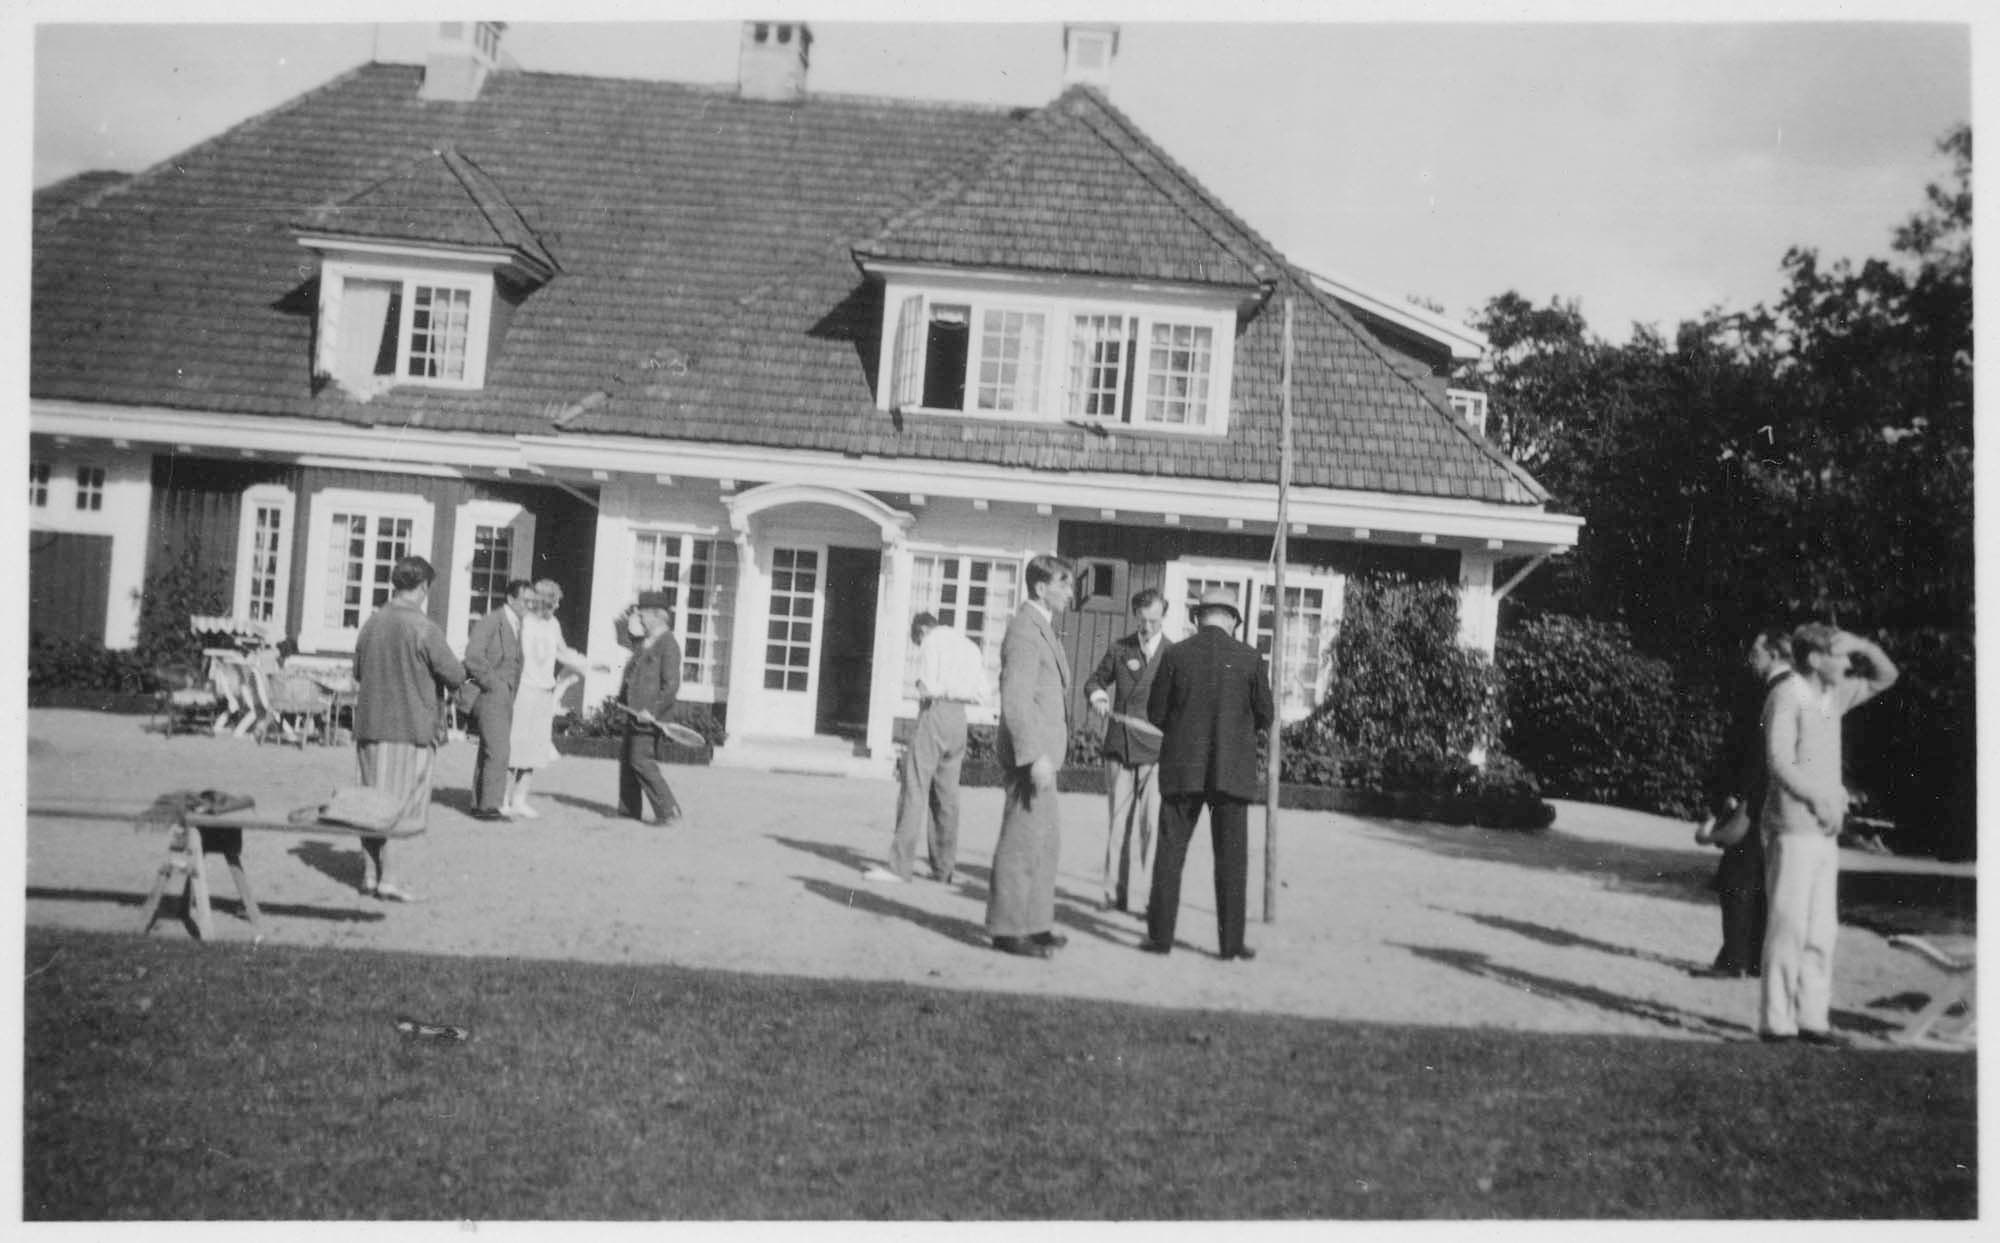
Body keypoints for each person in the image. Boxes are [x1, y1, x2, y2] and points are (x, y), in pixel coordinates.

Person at [1758, 623, 1898, 1045]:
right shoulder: (1788, 695)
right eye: (1839, 654)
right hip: (1793, 827)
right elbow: (1779, 762)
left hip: (1823, 831)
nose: (1848, 663)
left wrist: (1862, 643)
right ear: (1816, 660)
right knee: (1788, 926)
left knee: (1822, 929)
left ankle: (1812, 1019)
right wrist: (1820, 798)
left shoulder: (1832, 698)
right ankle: (1776, 1022)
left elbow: (1886, 675)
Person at [1142, 585, 1274, 961]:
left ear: (1198, 618)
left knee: (1170, 853)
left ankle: (1160, 939)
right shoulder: (1250, 658)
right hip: (1231, 774)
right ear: (1233, 620)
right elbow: (1267, 715)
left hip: (1183, 770)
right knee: (1231, 862)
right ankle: (1230, 945)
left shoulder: (1175, 655)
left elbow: (1155, 713)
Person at [350, 555, 466, 902]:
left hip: (370, 725)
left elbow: (358, 671)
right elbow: (455, 675)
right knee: (397, 806)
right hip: (408, 727)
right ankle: (391, 878)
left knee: (370, 802)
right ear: (424, 587)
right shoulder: (424, 628)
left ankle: (371, 873)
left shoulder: (371, 624)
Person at [1689, 626, 1796, 979]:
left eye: (1757, 652)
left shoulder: (1775, 693)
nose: (1752, 658)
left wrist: (1740, 794)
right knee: (1758, 879)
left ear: (1776, 654)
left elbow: (1763, 753)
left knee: (1736, 876)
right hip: (1775, 800)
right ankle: (1750, 957)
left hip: (1759, 798)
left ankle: (1735, 959)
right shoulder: (1789, 691)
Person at [985, 555, 1076, 959]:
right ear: (1041, 588)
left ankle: (1036, 923)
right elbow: (1016, 700)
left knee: (1046, 842)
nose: (1070, 594)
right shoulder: (1025, 630)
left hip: (1045, 757)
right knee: (1021, 843)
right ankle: (1007, 929)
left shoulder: (1042, 628)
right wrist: (1032, 755)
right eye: (1065, 585)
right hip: (1032, 757)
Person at [865, 612, 985, 885]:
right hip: (959, 718)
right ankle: (944, 869)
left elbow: (928, 686)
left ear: (921, 631)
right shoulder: (970, 646)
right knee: (947, 795)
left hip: (935, 713)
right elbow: (982, 690)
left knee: (914, 788)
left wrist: (923, 686)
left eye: (917, 640)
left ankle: (899, 867)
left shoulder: (932, 642)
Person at [1085, 588, 1172, 916]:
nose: (1148, 626)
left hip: (1155, 754)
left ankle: (1150, 899)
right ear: (1136, 616)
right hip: (1119, 749)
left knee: (1151, 826)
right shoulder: (1121, 649)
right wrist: (1099, 699)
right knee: (1118, 824)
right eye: (1143, 620)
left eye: (1154, 619)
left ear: (1163, 615)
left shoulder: (1174, 654)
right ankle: (1112, 894)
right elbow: (1094, 681)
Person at [503, 579, 592, 820]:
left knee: (534, 749)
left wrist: (588, 665)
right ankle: (502, 799)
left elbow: (563, 653)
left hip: (544, 691)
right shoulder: (523, 622)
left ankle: (520, 799)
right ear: (545, 601)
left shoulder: (553, 625)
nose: (557, 607)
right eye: (555, 602)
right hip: (523, 691)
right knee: (515, 747)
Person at [463, 579, 533, 821]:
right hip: (490, 693)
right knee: (499, 750)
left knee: (489, 749)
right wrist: (495, 685)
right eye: (526, 601)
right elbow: (472, 657)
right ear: (511, 599)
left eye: (532, 602)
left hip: (505, 695)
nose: (529, 606)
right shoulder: (491, 621)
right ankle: (489, 807)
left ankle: (479, 802)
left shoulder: (518, 624)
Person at [618, 591, 686, 827]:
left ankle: (669, 810)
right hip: (633, 711)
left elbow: (671, 684)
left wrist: (654, 711)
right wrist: (626, 617)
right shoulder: (646, 641)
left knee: (641, 760)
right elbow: (622, 636)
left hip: (649, 717)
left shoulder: (668, 644)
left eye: (644, 614)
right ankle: (628, 810)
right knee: (628, 761)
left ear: (659, 616)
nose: (641, 619)